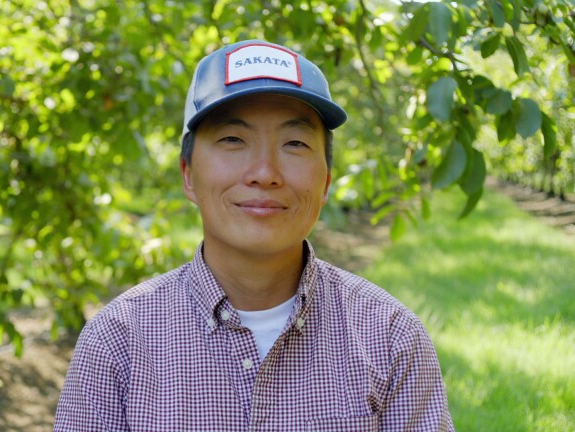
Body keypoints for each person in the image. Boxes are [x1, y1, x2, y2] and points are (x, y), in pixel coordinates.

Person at [54, 40, 454, 431]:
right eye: (233, 140)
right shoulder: (118, 341)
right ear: (188, 175)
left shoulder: (389, 336)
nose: (264, 172)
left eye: (294, 143)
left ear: (326, 181)